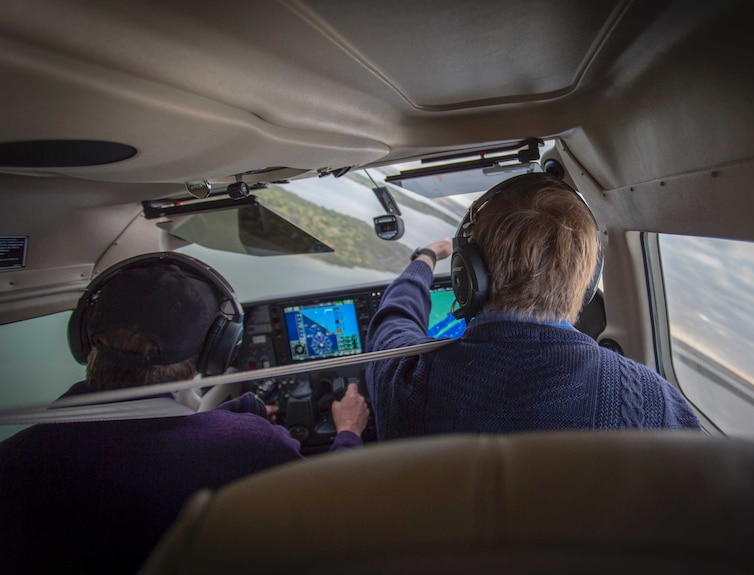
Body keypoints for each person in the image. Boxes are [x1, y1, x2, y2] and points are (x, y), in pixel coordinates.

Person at [0, 252, 369, 573]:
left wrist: (228, 419)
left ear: (83, 340)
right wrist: (348, 433)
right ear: (213, 357)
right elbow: (342, 515)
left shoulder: (15, 457)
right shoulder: (247, 446)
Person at [365, 172, 699, 440]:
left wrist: (424, 258)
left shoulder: (405, 379)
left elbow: (393, 321)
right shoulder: (652, 401)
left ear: (466, 277)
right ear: (586, 283)